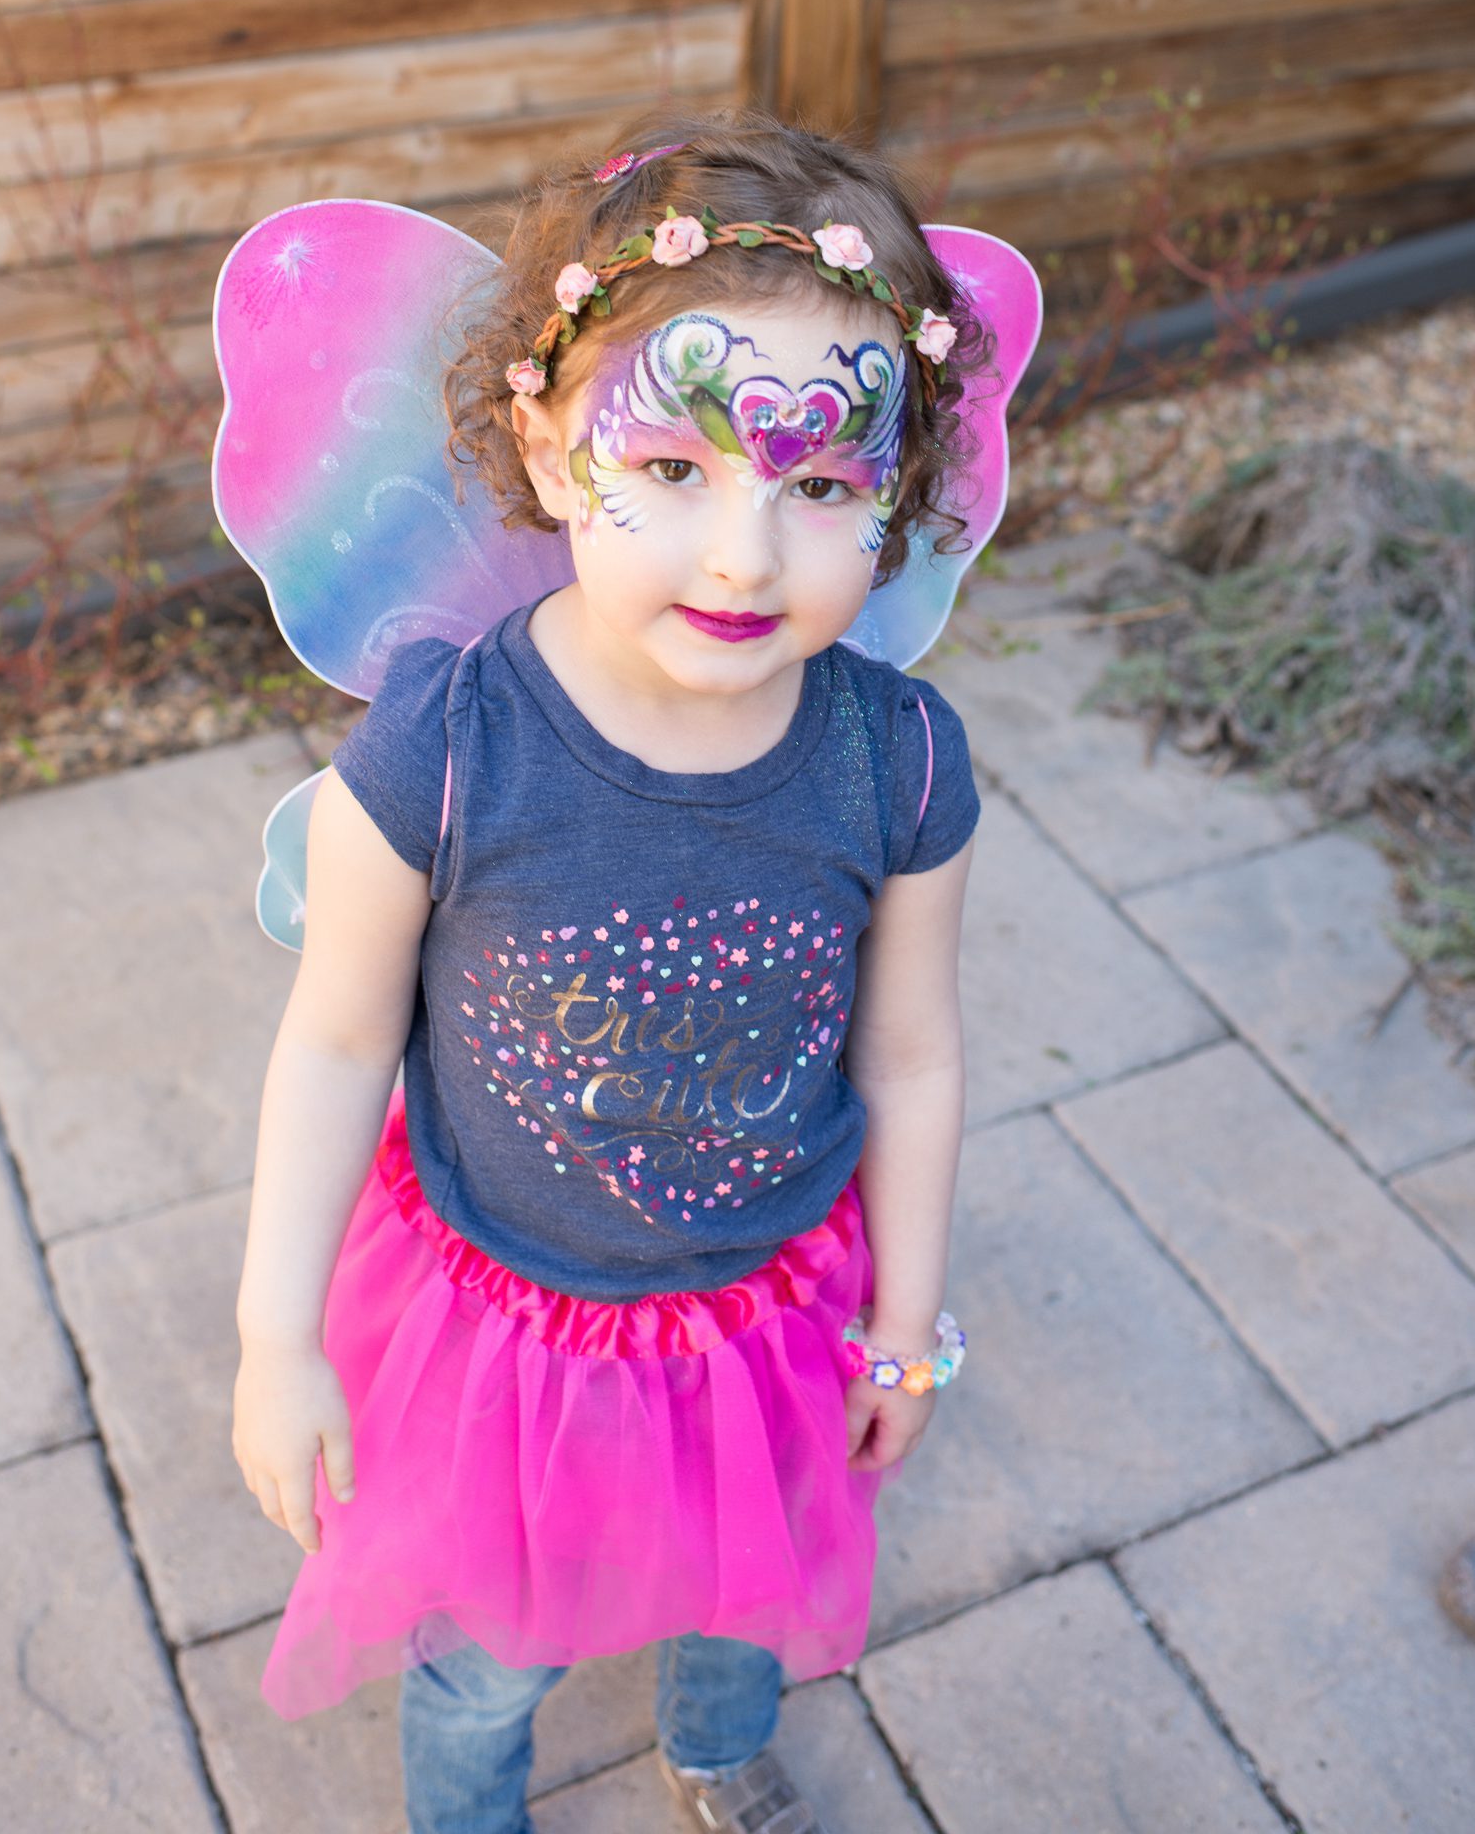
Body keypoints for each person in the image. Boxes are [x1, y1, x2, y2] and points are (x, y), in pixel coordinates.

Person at [229, 112, 988, 1834]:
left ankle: (715, 1751)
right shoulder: (442, 755)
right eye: (672, 468)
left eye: (820, 484)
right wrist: (276, 1337)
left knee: (743, 1588)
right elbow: (335, 1044)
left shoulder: (899, 765)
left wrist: (904, 1329)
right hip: (510, 1327)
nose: (743, 555)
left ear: (895, 491)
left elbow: (913, 1056)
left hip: (770, 1313)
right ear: (549, 446)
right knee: (489, 1656)